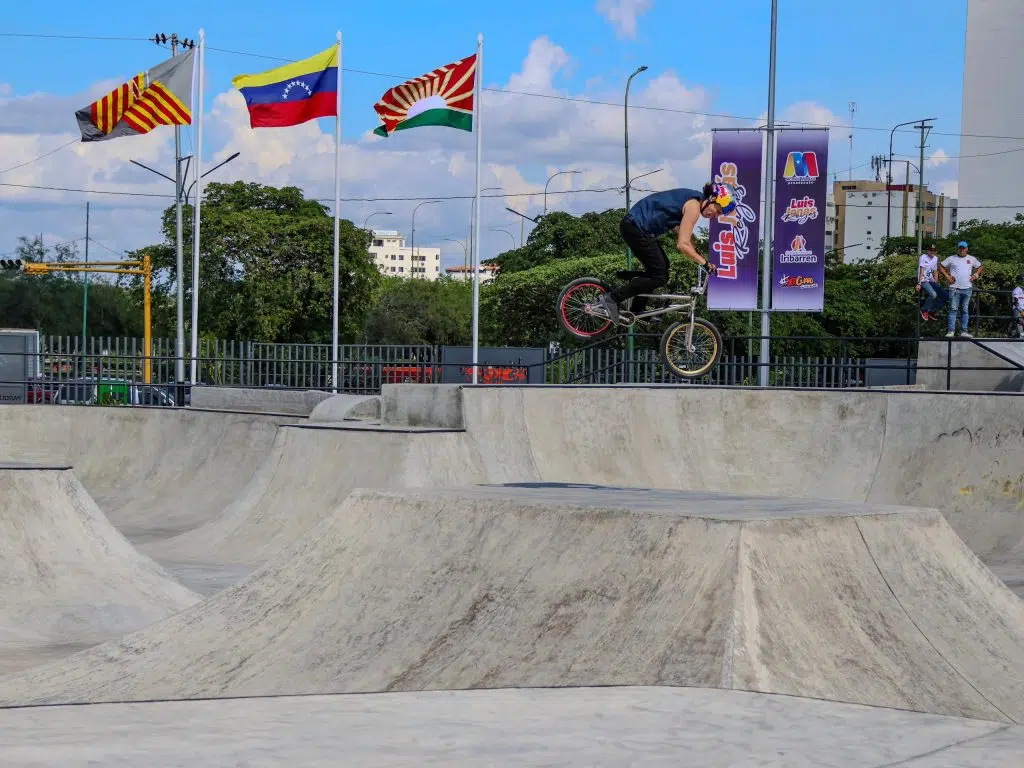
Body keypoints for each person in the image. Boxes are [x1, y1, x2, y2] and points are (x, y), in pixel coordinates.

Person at [595, 182, 731, 324]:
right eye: (718, 211)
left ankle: (637, 309)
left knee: (661, 267)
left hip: (636, 227)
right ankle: (612, 298)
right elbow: (682, 245)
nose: (715, 216)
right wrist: (705, 263)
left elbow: (680, 231)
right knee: (660, 275)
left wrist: (698, 254)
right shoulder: (694, 208)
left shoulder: (692, 199)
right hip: (637, 227)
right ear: (712, 200)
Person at [939, 240, 983, 338]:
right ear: (958, 249)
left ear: (967, 249)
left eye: (964, 248)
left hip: (967, 288)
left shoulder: (972, 258)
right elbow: (941, 266)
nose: (962, 250)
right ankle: (951, 331)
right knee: (953, 310)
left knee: (965, 310)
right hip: (954, 288)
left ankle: (964, 332)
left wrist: (976, 274)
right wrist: (947, 276)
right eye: (960, 248)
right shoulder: (951, 258)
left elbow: (980, 266)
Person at [916, 243, 947, 321]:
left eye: (934, 250)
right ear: (928, 251)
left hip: (931, 280)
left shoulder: (935, 258)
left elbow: (935, 271)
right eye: (930, 250)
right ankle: (924, 310)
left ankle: (932, 310)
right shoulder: (923, 257)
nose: (932, 252)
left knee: (945, 295)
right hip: (923, 280)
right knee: (933, 294)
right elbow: (921, 270)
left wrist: (936, 282)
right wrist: (919, 283)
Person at [1013, 274, 1024, 339]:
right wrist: (1020, 310)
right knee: (1019, 322)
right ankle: (1020, 336)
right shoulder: (1017, 289)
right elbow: (1015, 302)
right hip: (1018, 310)